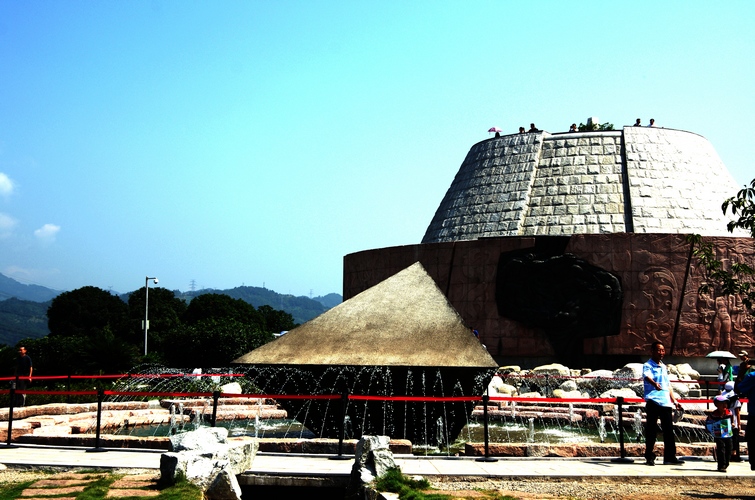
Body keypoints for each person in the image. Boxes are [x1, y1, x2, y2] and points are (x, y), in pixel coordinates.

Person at [643, 341, 684, 465]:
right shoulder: (648, 365)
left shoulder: (664, 367)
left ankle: (670, 457)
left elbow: (668, 386)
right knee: (651, 430)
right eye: (659, 350)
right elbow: (646, 377)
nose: (661, 353)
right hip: (653, 401)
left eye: (663, 350)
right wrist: (654, 384)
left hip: (666, 402)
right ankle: (649, 456)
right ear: (652, 351)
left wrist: (675, 401)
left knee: (668, 430)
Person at [706, 394, 734, 472]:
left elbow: (731, 421)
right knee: (721, 448)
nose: (724, 405)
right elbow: (708, 423)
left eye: (725, 403)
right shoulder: (714, 414)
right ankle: (721, 465)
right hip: (718, 434)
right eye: (721, 403)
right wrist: (710, 429)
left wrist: (732, 424)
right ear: (716, 405)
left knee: (729, 448)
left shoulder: (729, 413)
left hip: (727, 433)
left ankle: (726, 463)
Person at [735, 360, 755, 470]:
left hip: (754, 415)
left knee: (752, 440)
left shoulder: (752, 376)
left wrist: (742, 372)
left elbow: (738, 389)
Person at [722, 381, 742, 461]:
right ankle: (735, 456)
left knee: (726, 438)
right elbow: (737, 413)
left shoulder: (723, 399)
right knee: (735, 439)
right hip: (734, 422)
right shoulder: (735, 400)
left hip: (725, 421)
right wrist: (739, 424)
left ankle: (728, 455)